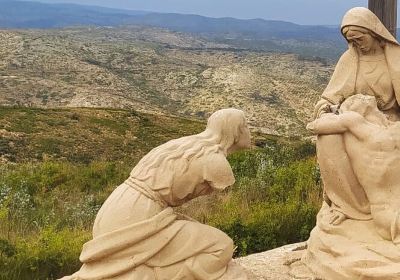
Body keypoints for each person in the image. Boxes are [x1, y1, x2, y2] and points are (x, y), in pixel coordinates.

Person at [60, 108, 251, 280]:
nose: (250, 131)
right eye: (246, 126)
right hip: (139, 215)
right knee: (221, 246)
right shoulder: (216, 162)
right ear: (235, 131)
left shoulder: (185, 144)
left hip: (117, 207)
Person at [312, 7, 400, 225]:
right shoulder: (349, 60)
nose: (356, 44)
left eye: (360, 38)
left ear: (373, 33)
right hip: (352, 123)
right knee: (328, 138)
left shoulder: (395, 59)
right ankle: (347, 205)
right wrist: (325, 109)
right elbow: (329, 97)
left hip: (389, 123)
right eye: (351, 40)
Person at [308, 94, 400, 244]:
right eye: (359, 97)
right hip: (389, 214)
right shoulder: (361, 123)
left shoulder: (382, 126)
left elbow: (313, 126)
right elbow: (313, 127)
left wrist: (330, 113)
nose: (363, 97)